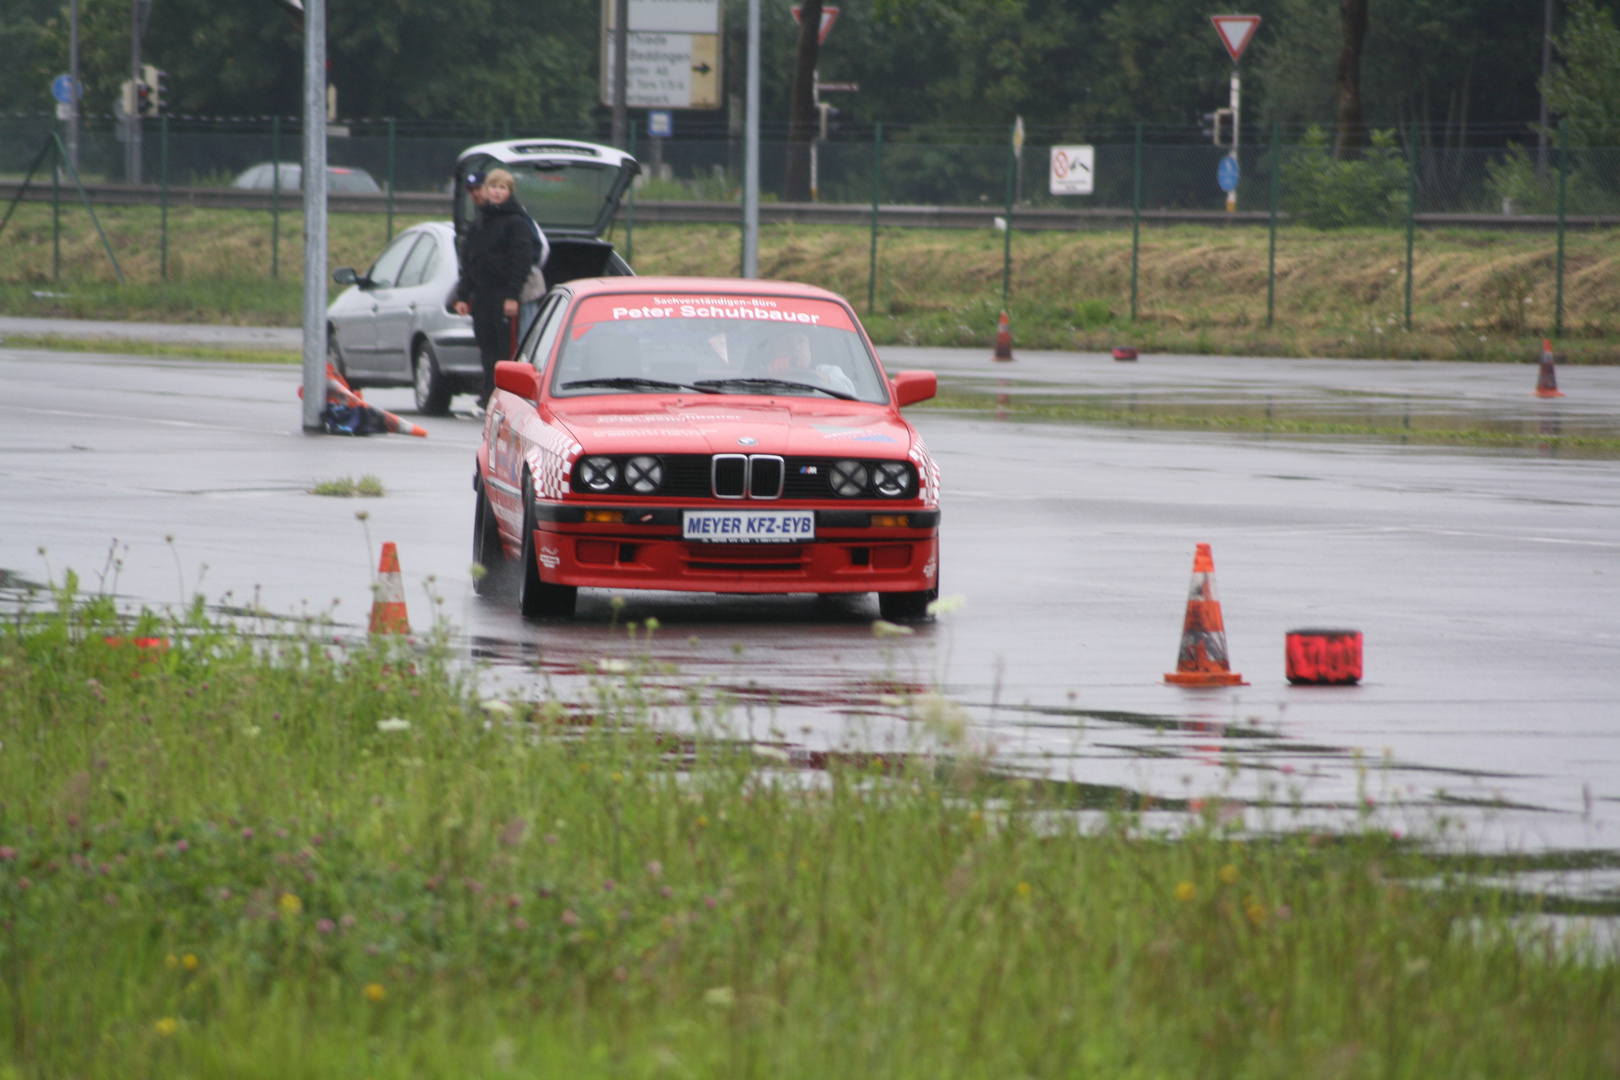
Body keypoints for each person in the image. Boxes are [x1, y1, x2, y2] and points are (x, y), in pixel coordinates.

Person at [454, 168, 533, 408]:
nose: (497, 193)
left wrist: (512, 296)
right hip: (482, 297)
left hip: (502, 295)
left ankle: (505, 399)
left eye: (502, 188)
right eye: (493, 187)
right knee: (485, 348)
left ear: (509, 192)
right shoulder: (479, 222)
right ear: (485, 191)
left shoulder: (517, 222)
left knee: (503, 350)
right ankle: (488, 396)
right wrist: (462, 295)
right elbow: (469, 262)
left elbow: (522, 261)